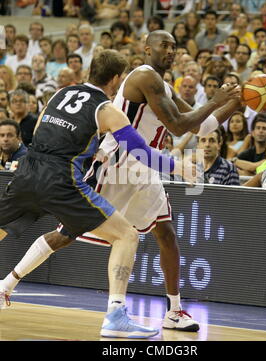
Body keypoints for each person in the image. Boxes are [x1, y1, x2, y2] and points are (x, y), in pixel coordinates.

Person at [0, 49, 196, 339]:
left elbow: (39, 131)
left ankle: (5, 285)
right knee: (127, 235)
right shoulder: (106, 109)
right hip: (61, 180)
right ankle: (116, 315)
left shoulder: (59, 93)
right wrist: (177, 167)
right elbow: (140, 151)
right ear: (116, 79)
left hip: (28, 171)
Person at [72, 30, 241, 332]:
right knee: (67, 230)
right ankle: (9, 281)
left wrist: (235, 104)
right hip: (120, 160)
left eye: (175, 47)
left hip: (146, 166)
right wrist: (216, 100)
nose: (171, 51)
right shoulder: (145, 76)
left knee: (167, 234)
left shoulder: (163, 84)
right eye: (164, 45)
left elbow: (201, 127)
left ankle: (174, 311)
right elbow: (178, 127)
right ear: (147, 48)